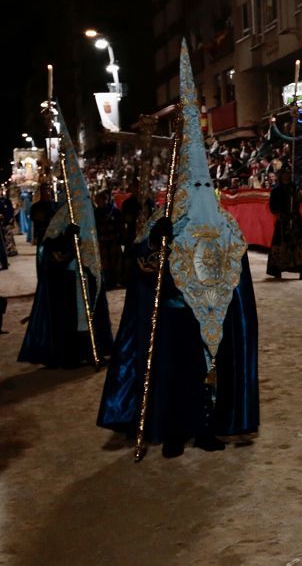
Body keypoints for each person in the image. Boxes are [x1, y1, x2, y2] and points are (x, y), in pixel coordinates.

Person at [98, 42, 259, 458]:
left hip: (213, 312)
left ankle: (205, 429)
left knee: (207, 373)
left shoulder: (224, 224)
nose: (201, 192)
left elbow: (238, 274)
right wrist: (156, 241)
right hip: (172, 311)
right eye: (195, 187)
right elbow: (141, 263)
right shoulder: (164, 218)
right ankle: (172, 431)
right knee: (171, 374)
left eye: (207, 186)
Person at [19, 109, 114, 369]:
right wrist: (66, 242)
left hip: (88, 272)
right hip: (67, 275)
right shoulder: (62, 214)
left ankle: (95, 349)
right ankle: (69, 353)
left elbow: (96, 237)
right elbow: (48, 246)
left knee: (91, 314)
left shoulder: (87, 208)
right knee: (69, 317)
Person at [266, 166, 302, 280]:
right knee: (280, 243)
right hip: (283, 220)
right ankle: (277, 269)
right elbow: (273, 206)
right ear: (281, 175)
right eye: (284, 173)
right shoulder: (276, 190)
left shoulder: (295, 187)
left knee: (299, 243)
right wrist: (279, 215)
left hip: (295, 218)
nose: (286, 175)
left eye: (288, 173)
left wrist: (299, 193)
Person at [92, 189, 123, 289]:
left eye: (104, 199)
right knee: (104, 264)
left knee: (114, 262)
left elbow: (120, 226)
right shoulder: (95, 214)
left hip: (113, 241)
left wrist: (117, 236)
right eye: (100, 200)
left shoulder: (114, 212)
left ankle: (114, 281)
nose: (103, 202)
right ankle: (106, 281)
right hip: (102, 242)